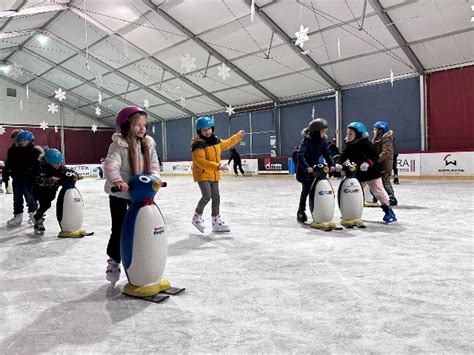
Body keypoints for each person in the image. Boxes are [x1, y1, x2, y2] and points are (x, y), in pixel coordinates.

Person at [103, 106, 161, 286]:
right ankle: (114, 261)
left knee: (144, 226)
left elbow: (154, 165)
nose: (142, 128)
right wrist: (117, 181)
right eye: (137, 125)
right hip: (120, 194)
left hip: (141, 193)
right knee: (119, 227)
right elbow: (111, 165)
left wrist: (155, 180)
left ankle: (142, 258)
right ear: (126, 126)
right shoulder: (118, 145)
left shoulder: (148, 144)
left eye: (144, 125)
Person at [191, 116, 245, 233]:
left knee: (216, 197)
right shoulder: (198, 145)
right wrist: (218, 166)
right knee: (207, 196)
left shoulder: (216, 141)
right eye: (204, 130)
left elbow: (227, 143)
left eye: (209, 129)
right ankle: (196, 217)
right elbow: (200, 161)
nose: (207, 131)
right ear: (199, 131)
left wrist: (238, 136)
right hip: (202, 174)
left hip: (214, 174)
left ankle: (216, 222)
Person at [337, 122, 397, 223]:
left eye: (351, 134)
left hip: (372, 174)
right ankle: (351, 212)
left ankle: (388, 212)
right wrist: (338, 163)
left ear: (359, 134)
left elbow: (375, 155)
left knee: (379, 192)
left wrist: (367, 162)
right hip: (358, 174)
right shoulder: (349, 144)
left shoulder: (366, 144)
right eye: (347, 134)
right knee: (353, 192)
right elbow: (344, 155)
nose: (348, 136)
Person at [295, 118, 335, 223]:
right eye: (323, 132)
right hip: (305, 170)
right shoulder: (306, 141)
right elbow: (301, 154)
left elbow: (327, 153)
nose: (324, 134)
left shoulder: (322, 141)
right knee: (306, 189)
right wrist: (307, 167)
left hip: (316, 169)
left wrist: (332, 164)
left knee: (319, 188)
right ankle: (301, 211)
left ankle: (319, 210)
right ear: (316, 132)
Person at [33, 149, 75, 234]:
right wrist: (51, 180)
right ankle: (38, 219)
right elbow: (39, 180)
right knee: (44, 204)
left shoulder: (61, 168)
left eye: (60, 162)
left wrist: (75, 175)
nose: (58, 164)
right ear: (48, 162)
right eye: (56, 163)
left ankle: (37, 217)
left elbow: (69, 172)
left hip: (50, 191)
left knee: (46, 204)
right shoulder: (41, 167)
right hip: (38, 190)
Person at [5, 131, 40, 227]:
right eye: (19, 140)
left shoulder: (34, 151)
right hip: (17, 177)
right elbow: (9, 163)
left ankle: (34, 215)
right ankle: (18, 216)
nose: (20, 142)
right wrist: (6, 173)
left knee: (30, 197)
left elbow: (37, 166)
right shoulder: (13, 150)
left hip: (29, 179)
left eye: (23, 140)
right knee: (17, 198)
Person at [372, 121, 398, 206]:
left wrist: (376, 160)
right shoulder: (377, 139)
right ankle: (376, 197)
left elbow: (386, 152)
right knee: (377, 181)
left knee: (385, 181)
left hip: (384, 165)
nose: (374, 131)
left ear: (381, 130)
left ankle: (392, 197)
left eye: (375, 129)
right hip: (380, 164)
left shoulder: (386, 139)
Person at [2, 129, 23, 194]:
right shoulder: (11, 150)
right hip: (16, 175)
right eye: (14, 140)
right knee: (17, 198)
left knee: (29, 198)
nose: (15, 142)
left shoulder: (28, 150)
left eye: (16, 140)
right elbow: (8, 163)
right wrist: (5, 176)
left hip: (26, 177)